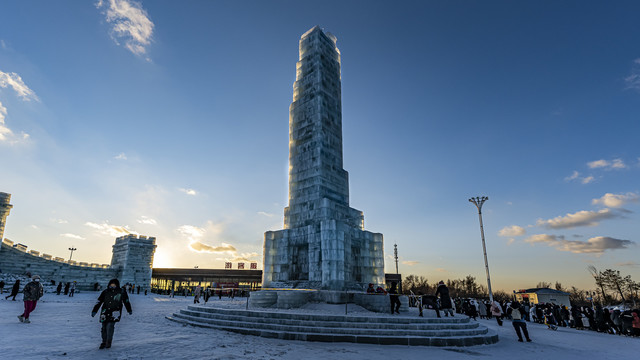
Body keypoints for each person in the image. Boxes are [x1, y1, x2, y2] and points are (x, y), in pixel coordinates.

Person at [91, 279, 133, 349]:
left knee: (110, 327)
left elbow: (126, 301)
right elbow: (99, 301)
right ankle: (103, 341)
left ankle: (108, 342)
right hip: (105, 312)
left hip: (114, 312)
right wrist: (94, 310)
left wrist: (129, 310)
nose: (112, 285)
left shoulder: (122, 291)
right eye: (111, 284)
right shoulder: (105, 291)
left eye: (114, 284)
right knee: (104, 327)